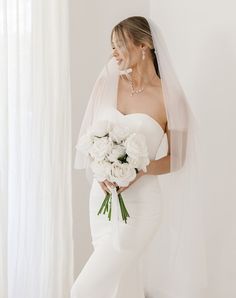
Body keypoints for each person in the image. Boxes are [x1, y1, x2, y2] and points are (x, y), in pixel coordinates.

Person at [71, 16, 207, 298]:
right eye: (112, 46)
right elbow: (89, 139)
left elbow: (177, 158)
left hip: (141, 207)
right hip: (101, 200)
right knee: (121, 285)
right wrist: (102, 169)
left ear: (143, 46)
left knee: (83, 290)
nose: (114, 53)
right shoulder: (108, 82)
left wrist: (139, 170)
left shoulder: (171, 98)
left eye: (119, 45)